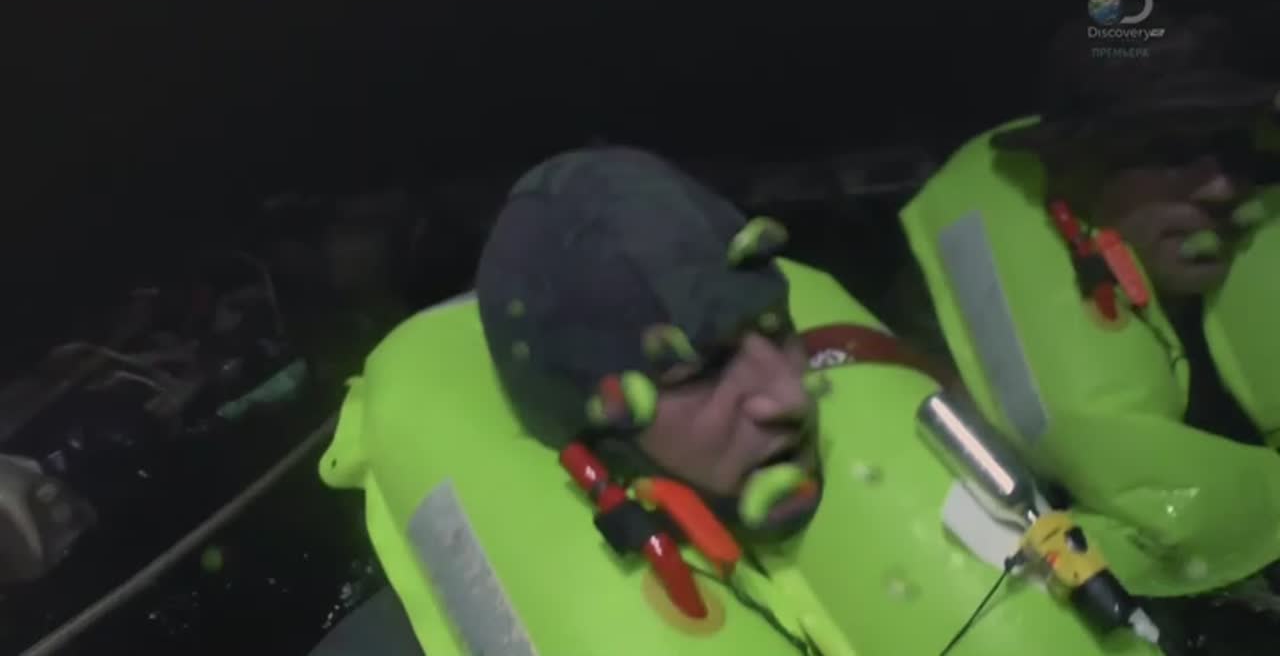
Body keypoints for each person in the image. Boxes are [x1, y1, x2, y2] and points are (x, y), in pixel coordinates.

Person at [310, 147, 1164, 656]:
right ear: (583, 427)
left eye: (777, 332)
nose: (788, 395)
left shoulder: (971, 492)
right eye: (700, 372)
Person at [899, 6, 1280, 605]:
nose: (1222, 188)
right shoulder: (951, 383)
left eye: (1236, 152)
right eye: (1170, 153)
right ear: (1072, 174)